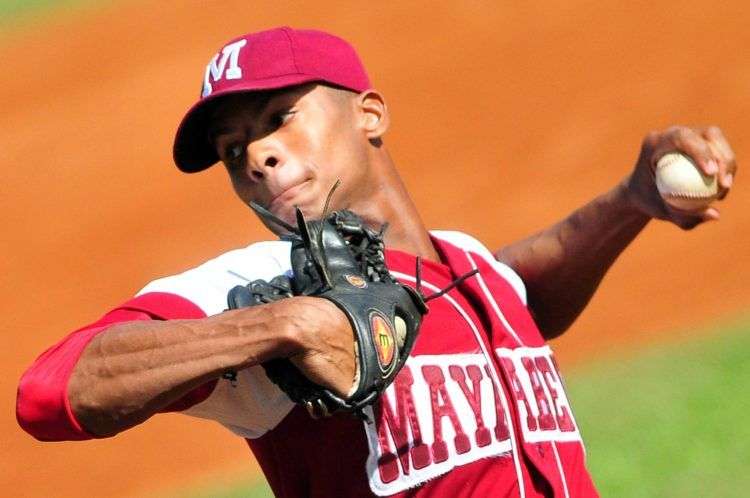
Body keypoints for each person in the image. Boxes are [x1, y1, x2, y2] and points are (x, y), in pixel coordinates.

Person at [17, 26, 736, 497]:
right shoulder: (258, 288)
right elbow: (49, 393)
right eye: (235, 150)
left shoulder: (466, 266)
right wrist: (280, 326)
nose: (258, 155)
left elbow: (518, 295)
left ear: (369, 115)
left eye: (279, 119)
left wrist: (630, 202)